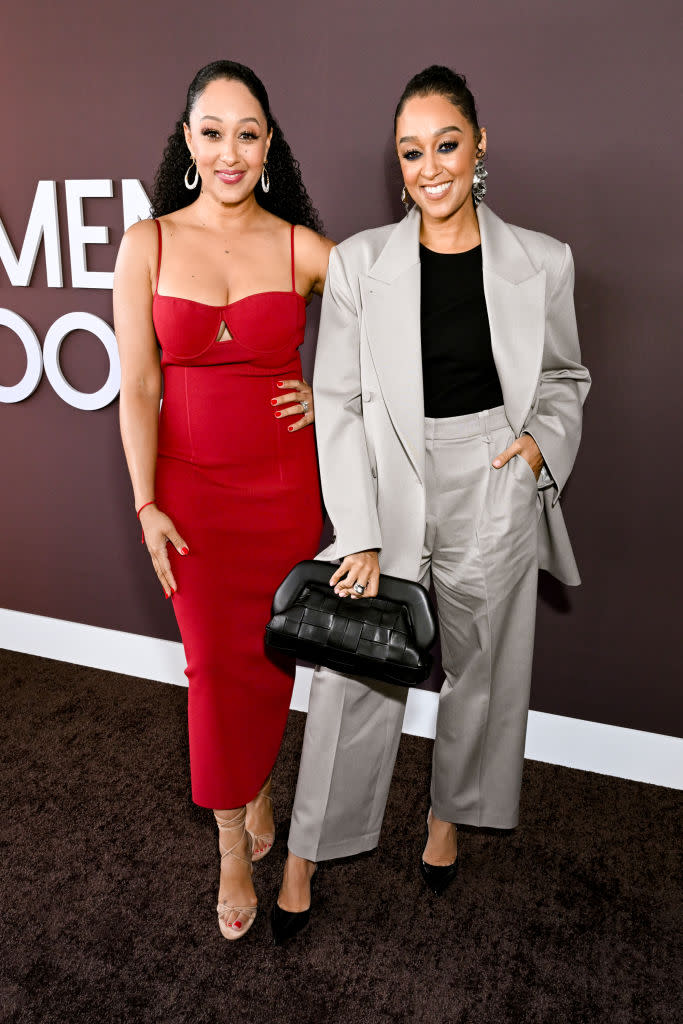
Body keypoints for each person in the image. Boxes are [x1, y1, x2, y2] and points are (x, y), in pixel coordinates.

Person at [272, 65, 591, 944]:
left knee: (483, 669)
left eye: (445, 144)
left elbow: (564, 376)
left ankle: (447, 818)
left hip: (493, 472)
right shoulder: (358, 264)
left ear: (479, 146)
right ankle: (306, 852)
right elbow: (334, 402)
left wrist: (539, 452)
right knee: (354, 671)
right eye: (411, 152)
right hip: (391, 479)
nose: (429, 166)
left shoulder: (542, 261)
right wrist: (360, 532)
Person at [114, 60, 332, 941]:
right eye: (212, 131)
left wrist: (338, 393)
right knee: (211, 671)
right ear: (188, 139)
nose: (229, 150)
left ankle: (259, 781)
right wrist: (144, 504)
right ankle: (233, 847)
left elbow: (395, 327)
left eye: (247, 132)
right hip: (189, 500)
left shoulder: (302, 247)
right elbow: (136, 386)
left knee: (270, 659)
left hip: (283, 492)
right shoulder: (149, 243)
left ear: (268, 143)